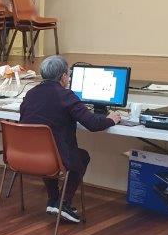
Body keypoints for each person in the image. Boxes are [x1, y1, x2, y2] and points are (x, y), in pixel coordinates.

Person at [20, 55, 121, 223]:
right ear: (63, 77)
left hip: (29, 156)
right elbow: (93, 124)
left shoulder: (30, 94)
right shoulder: (65, 95)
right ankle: (63, 202)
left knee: (49, 151)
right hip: (54, 158)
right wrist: (112, 119)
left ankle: (53, 200)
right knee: (81, 157)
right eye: (68, 74)